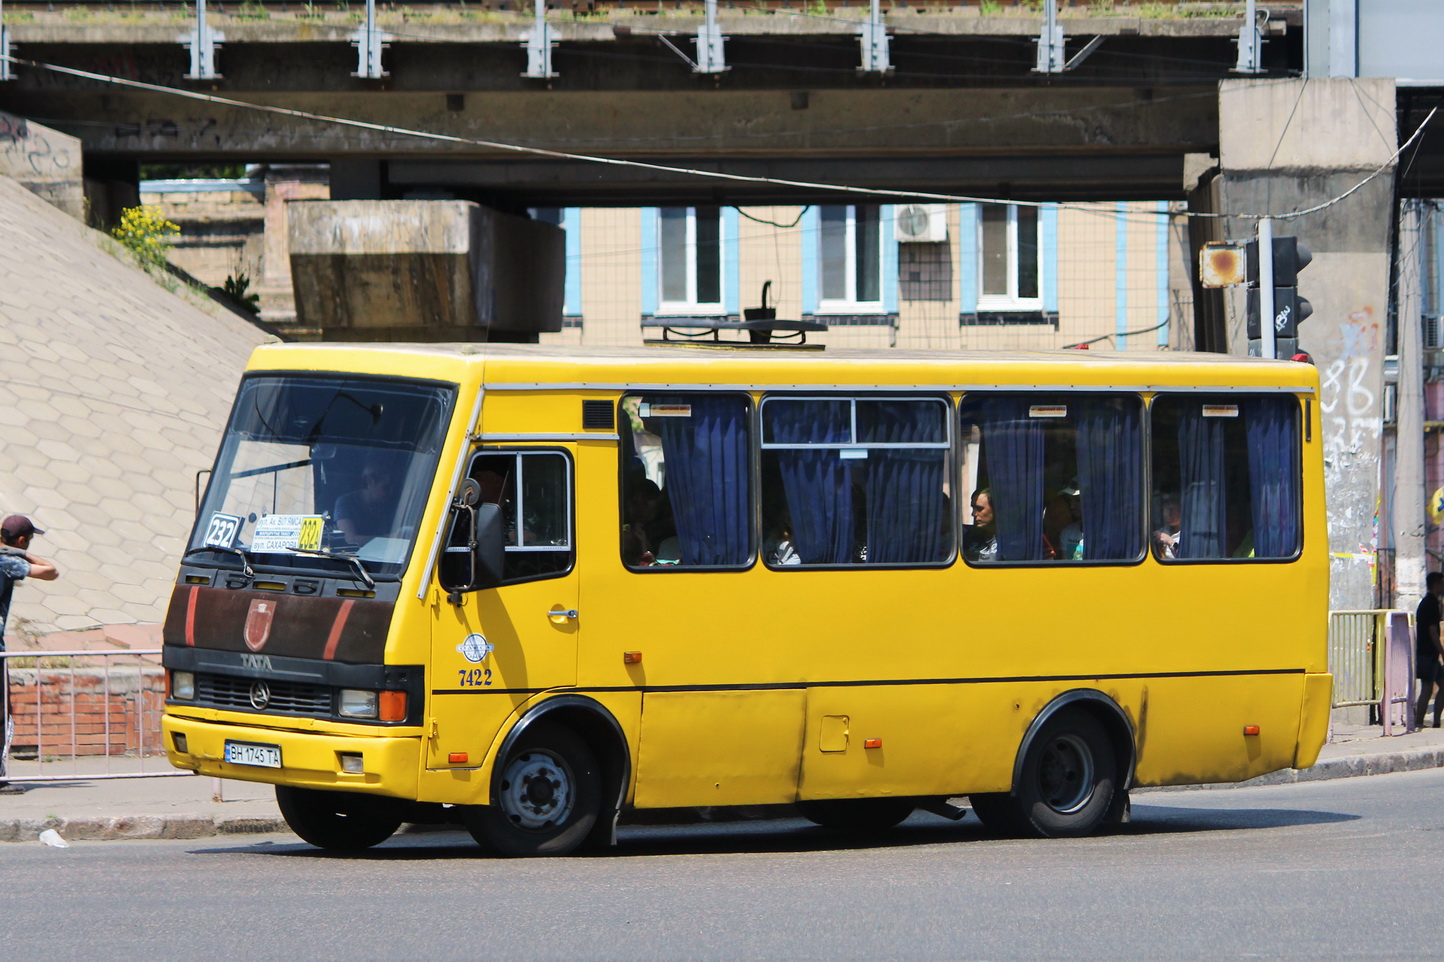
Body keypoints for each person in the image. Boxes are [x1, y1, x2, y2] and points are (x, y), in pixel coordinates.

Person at [0, 514, 59, 793]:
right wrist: (20, 553)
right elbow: (51, 571)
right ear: (22, 540)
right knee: (2, 714)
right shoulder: (7, 561)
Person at [334, 452, 400, 545]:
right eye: (386, 487)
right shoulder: (346, 503)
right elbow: (350, 540)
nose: (391, 492)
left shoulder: (390, 504)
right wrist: (393, 538)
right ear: (370, 481)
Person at [1415, 571, 1444, 729]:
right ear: (1435, 585)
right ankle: (1418, 721)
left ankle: (1436, 721)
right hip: (1427, 653)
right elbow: (1433, 631)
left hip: (1429, 653)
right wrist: (1442, 651)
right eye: (1442, 583)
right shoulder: (1430, 603)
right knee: (1427, 687)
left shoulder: (1430, 602)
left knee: (1441, 684)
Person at [963, 488, 998, 562]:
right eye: (973, 508)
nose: (974, 514)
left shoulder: (1007, 542)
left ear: (995, 509)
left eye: (979, 509)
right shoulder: (968, 537)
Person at [1152, 494, 1182, 560]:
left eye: (1172, 509)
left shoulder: (1187, 536)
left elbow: (1185, 559)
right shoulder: (1161, 532)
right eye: (1166, 509)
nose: (1168, 513)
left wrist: (1170, 542)